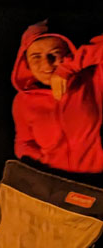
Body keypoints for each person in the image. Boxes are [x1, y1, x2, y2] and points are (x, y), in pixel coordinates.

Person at [12, 20, 103, 178]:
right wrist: (42, 162)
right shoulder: (23, 101)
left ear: (68, 54)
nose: (46, 65)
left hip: (97, 181)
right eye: (36, 57)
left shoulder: (92, 80)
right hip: (55, 184)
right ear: (25, 62)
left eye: (54, 54)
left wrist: (67, 68)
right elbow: (23, 143)